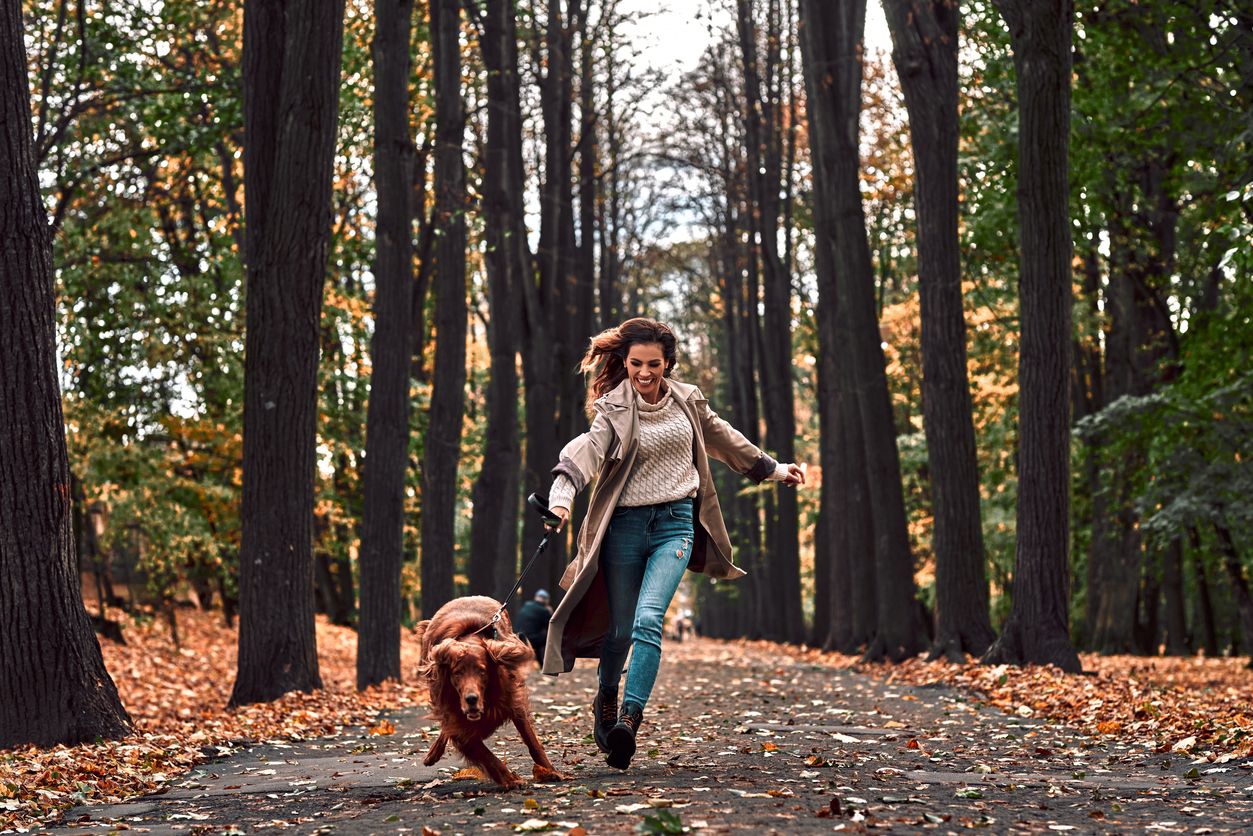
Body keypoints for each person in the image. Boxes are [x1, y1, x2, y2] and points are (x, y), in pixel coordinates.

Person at [539, 317, 805, 770]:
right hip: (624, 528)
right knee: (620, 631)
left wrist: (775, 469)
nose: (644, 373)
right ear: (624, 362)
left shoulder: (687, 401)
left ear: (667, 364)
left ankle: (629, 719)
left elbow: (725, 438)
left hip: (675, 524)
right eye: (636, 364)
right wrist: (560, 500)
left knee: (648, 619)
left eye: (654, 364)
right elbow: (584, 452)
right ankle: (607, 696)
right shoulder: (613, 409)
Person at [513, 589, 553, 664]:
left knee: (536, 636)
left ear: (536, 597)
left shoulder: (527, 605)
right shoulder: (544, 610)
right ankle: (549, 662)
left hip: (518, 637)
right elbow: (550, 627)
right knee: (550, 637)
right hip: (531, 639)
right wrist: (550, 613)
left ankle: (540, 662)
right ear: (546, 600)